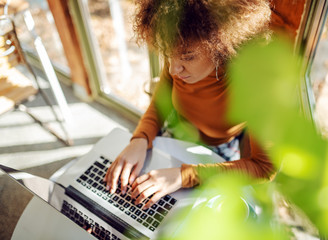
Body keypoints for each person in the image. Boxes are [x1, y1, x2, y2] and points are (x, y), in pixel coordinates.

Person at [104, 0, 275, 209]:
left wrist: (184, 175)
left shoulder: (257, 86)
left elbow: (265, 168)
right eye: (167, 54)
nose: (174, 69)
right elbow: (161, 101)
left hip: (218, 156)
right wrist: (140, 139)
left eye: (188, 57)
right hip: (175, 132)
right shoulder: (180, 44)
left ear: (222, 44)